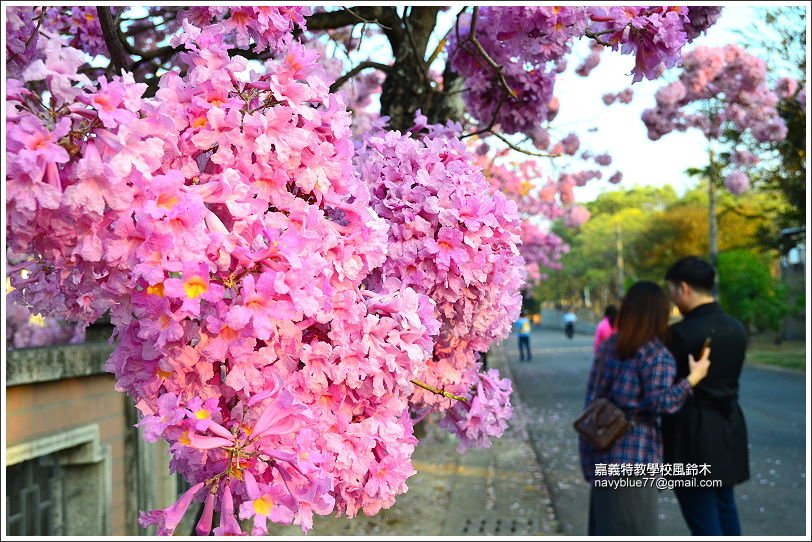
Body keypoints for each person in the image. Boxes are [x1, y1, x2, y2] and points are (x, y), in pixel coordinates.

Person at [578, 280, 711, 536]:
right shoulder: (656, 355)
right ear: (659, 314)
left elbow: (591, 400)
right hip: (636, 457)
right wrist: (693, 379)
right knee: (637, 528)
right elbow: (661, 403)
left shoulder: (609, 347)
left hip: (601, 452)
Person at [661, 256, 749, 536]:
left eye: (671, 290)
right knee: (725, 507)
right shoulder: (737, 328)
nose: (672, 298)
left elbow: (668, 390)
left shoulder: (679, 334)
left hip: (690, 433)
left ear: (683, 288)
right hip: (728, 427)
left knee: (701, 516)